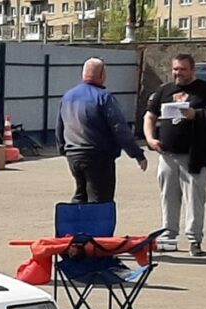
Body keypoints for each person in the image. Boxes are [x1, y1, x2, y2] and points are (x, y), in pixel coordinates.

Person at [143, 53, 206, 256]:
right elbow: (150, 116)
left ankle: (194, 239)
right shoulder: (165, 90)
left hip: (194, 154)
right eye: (175, 69)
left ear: (192, 70)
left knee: (194, 198)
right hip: (167, 154)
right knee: (168, 197)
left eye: (183, 69)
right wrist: (150, 139)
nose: (178, 73)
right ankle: (168, 236)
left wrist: (197, 114)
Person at [56, 57, 147, 204]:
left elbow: (60, 125)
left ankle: (76, 219)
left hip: (73, 155)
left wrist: (63, 149)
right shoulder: (104, 97)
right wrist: (137, 154)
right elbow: (119, 128)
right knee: (99, 200)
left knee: (80, 196)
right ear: (102, 75)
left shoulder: (68, 96)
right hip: (98, 156)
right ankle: (95, 220)